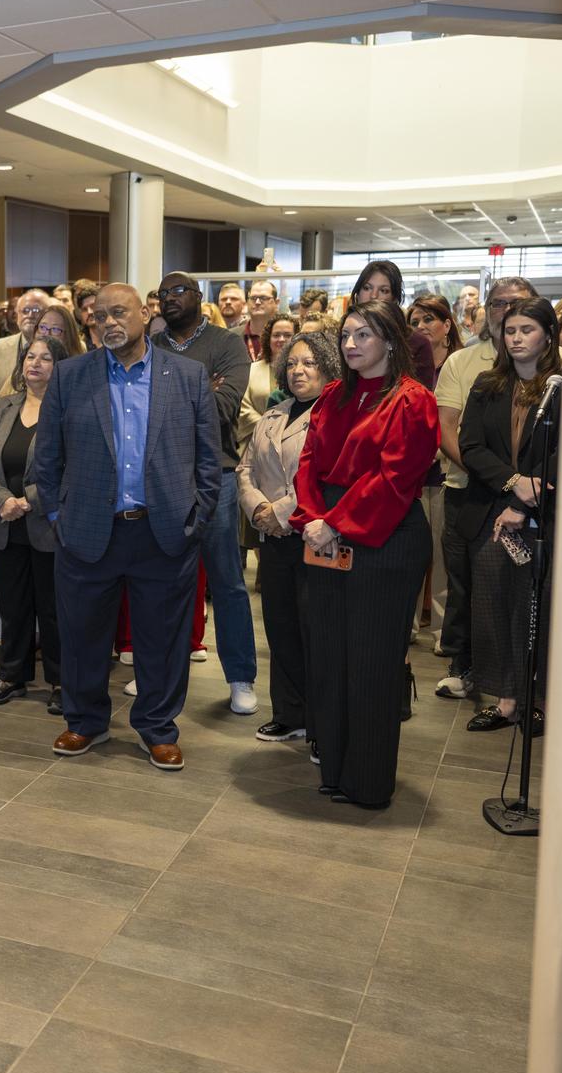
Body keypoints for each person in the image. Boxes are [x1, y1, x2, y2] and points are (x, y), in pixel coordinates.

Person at [33, 284, 218, 770]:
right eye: (99, 316)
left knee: (162, 640)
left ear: (145, 313)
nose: (109, 322)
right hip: (89, 530)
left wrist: (195, 519)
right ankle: (85, 722)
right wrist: (58, 516)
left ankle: (158, 727)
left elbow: (208, 458)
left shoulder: (189, 376)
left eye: (119, 313)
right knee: (82, 635)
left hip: (164, 532)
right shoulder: (71, 376)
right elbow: (47, 458)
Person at [291, 303, 440, 806]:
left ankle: (369, 782)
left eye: (364, 334)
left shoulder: (412, 400)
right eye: (347, 334)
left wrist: (333, 522)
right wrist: (313, 519)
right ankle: (334, 769)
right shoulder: (335, 393)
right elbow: (308, 462)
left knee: (372, 663)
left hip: (385, 536)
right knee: (330, 658)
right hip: (326, 533)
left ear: (392, 341)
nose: (350, 344)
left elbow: (395, 479)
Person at [151, 272, 261, 717]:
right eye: (163, 294)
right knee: (161, 582)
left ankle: (241, 677)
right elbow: (140, 411)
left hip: (215, 475)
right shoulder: (153, 345)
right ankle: (158, 673)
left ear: (200, 298)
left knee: (227, 581)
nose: (170, 299)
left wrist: (168, 396)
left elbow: (222, 408)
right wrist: (200, 386)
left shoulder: (227, 343)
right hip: (161, 479)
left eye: (179, 291)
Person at [432, 276, 543, 700]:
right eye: (497, 305)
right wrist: (501, 478)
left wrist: (526, 487)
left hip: (539, 497)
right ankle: (467, 667)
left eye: (516, 305)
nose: (506, 313)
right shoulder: (465, 364)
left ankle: (525, 685)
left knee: (527, 595)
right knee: (466, 587)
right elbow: (449, 430)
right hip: (471, 490)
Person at [458, 297, 562, 734]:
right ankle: (504, 700)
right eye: (510, 330)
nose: (516, 338)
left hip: (548, 513)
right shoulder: (487, 383)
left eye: (527, 330)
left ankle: (538, 700)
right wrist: (513, 484)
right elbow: (470, 446)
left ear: (548, 336)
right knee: (492, 607)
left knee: (536, 607)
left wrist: (525, 500)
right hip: (490, 511)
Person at [238, 330, 339, 744]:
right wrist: (258, 508)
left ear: (330, 367)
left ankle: (320, 724)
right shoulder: (274, 413)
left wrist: (281, 512)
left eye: (309, 363)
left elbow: (328, 478)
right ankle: (289, 712)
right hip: (273, 539)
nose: (298, 371)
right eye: (292, 363)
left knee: (315, 630)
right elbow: (245, 469)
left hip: (314, 538)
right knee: (280, 627)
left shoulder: (336, 414)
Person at [0, 335, 67, 707]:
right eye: (31, 356)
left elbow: (68, 468)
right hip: (3, 524)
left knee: (54, 608)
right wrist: (2, 502)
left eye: (46, 358)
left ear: (58, 367)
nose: (36, 363)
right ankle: (12, 675)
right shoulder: (2, 405)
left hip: (47, 524)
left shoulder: (65, 410)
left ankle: (61, 682)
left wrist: (26, 501)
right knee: (13, 606)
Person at [408, 294, 464, 633]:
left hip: (447, 468)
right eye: (415, 322)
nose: (421, 327)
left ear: (447, 325)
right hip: (413, 470)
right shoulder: (408, 362)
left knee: (443, 557)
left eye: (429, 320)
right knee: (414, 552)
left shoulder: (457, 364)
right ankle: (408, 624)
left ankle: (443, 629)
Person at [349, 259, 436, 388]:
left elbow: (420, 397)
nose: (373, 296)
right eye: (367, 288)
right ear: (357, 294)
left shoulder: (416, 343)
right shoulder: (346, 336)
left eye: (384, 290)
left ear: (394, 299)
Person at [0, 287, 50, 396]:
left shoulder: (62, 346)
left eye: (36, 310)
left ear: (48, 313)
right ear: (17, 315)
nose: (30, 315)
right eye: (25, 310)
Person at [247, 313, 297, 414]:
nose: (281, 339)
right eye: (276, 335)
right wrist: (266, 426)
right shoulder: (251, 370)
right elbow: (243, 407)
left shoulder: (303, 370)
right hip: (255, 428)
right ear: (268, 339)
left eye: (287, 335)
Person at [243, 278, 279, 359]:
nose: (257, 302)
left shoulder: (286, 336)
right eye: (253, 298)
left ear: (276, 303)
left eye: (263, 298)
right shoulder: (232, 336)